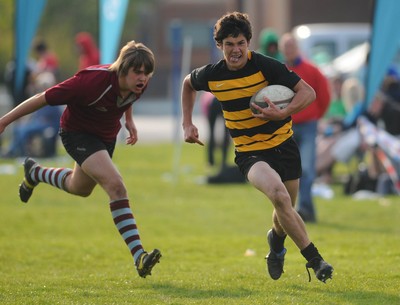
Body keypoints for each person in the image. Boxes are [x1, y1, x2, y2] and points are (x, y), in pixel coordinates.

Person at [181, 12, 333, 283]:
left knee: (284, 210)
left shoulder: (267, 66)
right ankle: (316, 260)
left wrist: (282, 112)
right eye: (229, 44)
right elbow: (188, 84)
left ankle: (275, 243)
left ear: (248, 42)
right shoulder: (213, 75)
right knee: (279, 196)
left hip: (284, 146)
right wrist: (187, 123)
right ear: (220, 46)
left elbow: (308, 93)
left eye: (240, 43)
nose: (235, 50)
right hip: (250, 153)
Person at [0, 41, 161, 278]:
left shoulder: (138, 83)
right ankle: (139, 256)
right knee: (116, 186)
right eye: (138, 72)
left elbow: (128, 97)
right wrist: (4, 121)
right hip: (76, 133)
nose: (143, 78)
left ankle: (35, 173)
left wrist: (129, 120)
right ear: (122, 69)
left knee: (80, 188)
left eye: (147, 73)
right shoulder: (90, 82)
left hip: (105, 137)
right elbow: (41, 97)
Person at [279, 33, 331, 223]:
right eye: (286, 46)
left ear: (297, 47)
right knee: (287, 170)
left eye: (291, 46)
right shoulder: (279, 70)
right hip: (287, 125)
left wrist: (316, 115)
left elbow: (324, 96)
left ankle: (306, 209)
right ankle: (288, 211)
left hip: (308, 125)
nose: (289, 50)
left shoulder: (311, 70)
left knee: (307, 169)